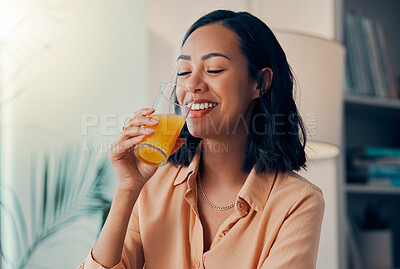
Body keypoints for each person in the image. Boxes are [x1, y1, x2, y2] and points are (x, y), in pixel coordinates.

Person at [79, 9, 324, 269]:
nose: (192, 85)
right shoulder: (152, 185)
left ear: (260, 82)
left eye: (214, 69)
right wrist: (127, 189)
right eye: (184, 72)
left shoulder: (297, 201)